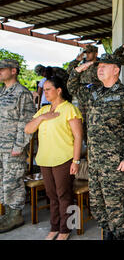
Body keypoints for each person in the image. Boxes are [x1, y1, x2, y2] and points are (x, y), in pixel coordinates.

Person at [67, 53, 124, 240]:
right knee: (97, 203)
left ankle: (116, 236)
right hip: (94, 161)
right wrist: (80, 68)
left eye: (105, 65)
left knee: (115, 205)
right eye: (99, 66)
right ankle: (107, 233)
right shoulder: (94, 91)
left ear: (116, 70)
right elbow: (72, 87)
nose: (100, 68)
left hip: (115, 163)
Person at [24, 76, 82, 240]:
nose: (46, 92)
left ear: (59, 90)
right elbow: (28, 129)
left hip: (64, 158)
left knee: (64, 194)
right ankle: (55, 226)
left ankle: (66, 228)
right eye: (45, 89)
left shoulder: (70, 109)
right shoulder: (43, 110)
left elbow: (78, 136)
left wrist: (76, 161)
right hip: (45, 159)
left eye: (49, 89)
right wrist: (42, 118)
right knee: (52, 195)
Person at [0, 59, 35, 233]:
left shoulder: (22, 93)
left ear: (13, 71)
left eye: (2, 69)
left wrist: (19, 146)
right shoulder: (2, 92)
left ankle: (15, 215)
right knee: (2, 180)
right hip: (0, 146)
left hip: (13, 147)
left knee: (13, 181)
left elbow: (27, 122)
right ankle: (7, 213)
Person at [66, 45, 101, 140]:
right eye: (86, 53)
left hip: (95, 98)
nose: (87, 55)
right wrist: (77, 60)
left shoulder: (100, 64)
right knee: (82, 122)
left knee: (94, 121)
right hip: (82, 98)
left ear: (96, 53)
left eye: (89, 52)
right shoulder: (82, 64)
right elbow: (69, 71)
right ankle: (85, 143)